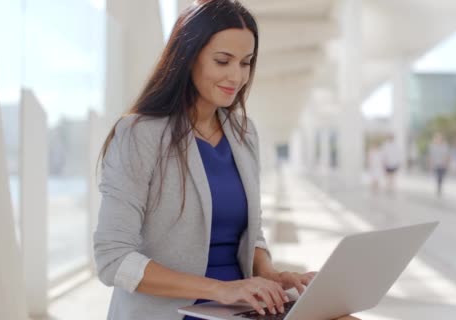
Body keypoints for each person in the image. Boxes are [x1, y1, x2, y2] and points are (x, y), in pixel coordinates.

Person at [93, 1, 317, 319]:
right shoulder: (138, 135)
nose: (237, 76)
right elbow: (112, 258)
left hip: (242, 309)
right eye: (223, 61)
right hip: (175, 312)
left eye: (246, 62)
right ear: (188, 56)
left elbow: (250, 233)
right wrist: (219, 289)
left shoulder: (244, 134)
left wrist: (271, 274)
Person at [428, 132, 450, 196]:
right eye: (437, 138)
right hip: (436, 164)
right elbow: (431, 156)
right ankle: (438, 188)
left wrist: (446, 163)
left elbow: (447, 155)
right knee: (437, 176)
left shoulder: (445, 145)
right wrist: (431, 164)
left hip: (443, 164)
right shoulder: (432, 146)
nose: (439, 139)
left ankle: (440, 186)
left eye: (440, 138)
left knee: (442, 177)